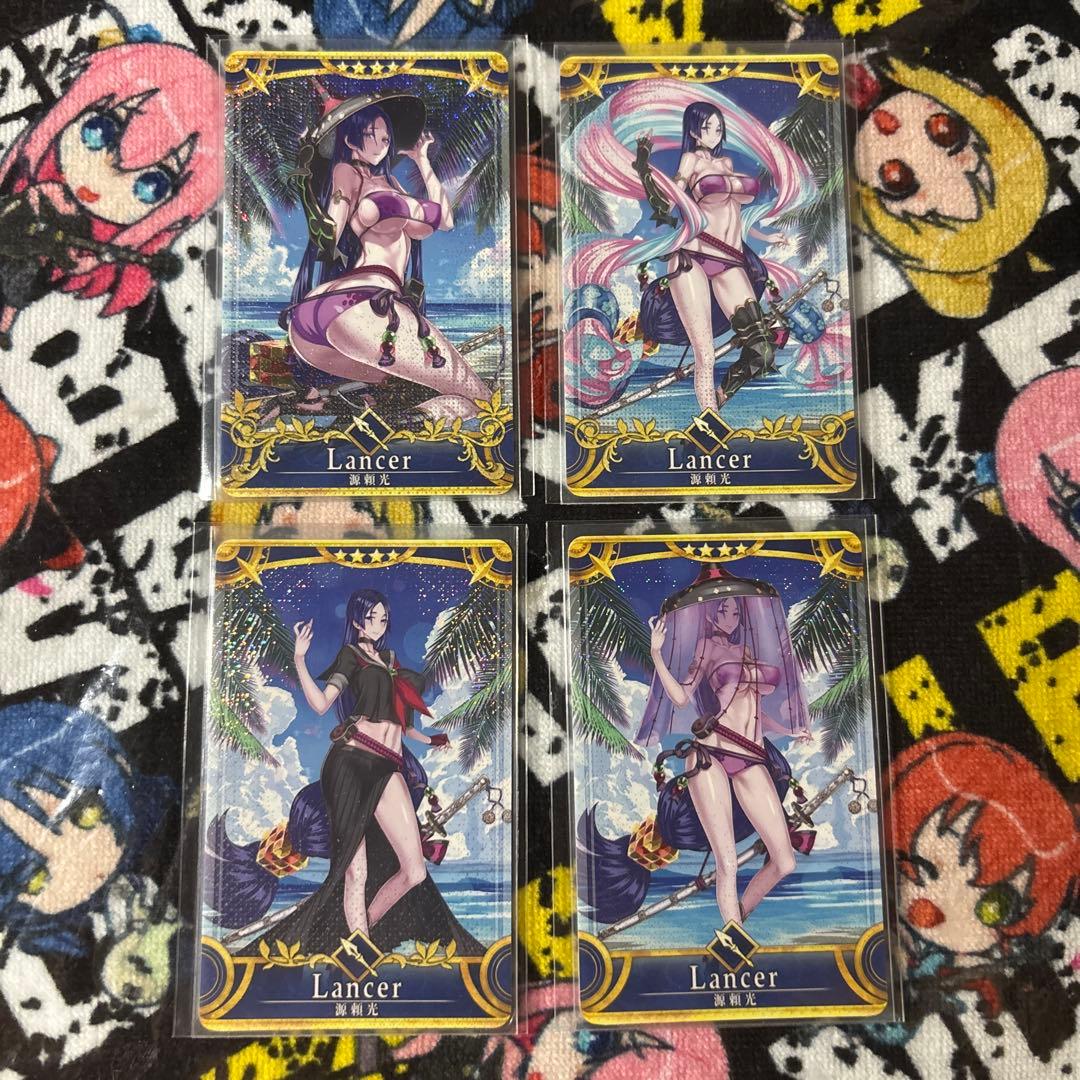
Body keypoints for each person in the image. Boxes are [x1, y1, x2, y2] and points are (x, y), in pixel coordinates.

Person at [207, 588, 481, 956]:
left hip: (388, 764)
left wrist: (431, 741)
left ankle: (359, 937)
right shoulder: (350, 656)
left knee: (414, 871)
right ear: (356, 621)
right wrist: (300, 660)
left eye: (384, 618)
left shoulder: (390, 660)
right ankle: (362, 948)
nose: (379, 625)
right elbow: (321, 705)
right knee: (356, 871)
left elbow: (401, 723)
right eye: (372, 618)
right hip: (351, 764)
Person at [579, 567, 814, 928]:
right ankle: (734, 936)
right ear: (709, 614)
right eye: (723, 611)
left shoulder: (745, 649)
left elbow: (755, 712)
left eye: (735, 611)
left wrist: (792, 730)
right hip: (710, 752)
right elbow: (680, 696)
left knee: (784, 862)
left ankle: (736, 926)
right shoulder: (706, 648)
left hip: (751, 753)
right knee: (727, 862)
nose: (730, 617)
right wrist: (657, 655)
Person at [285, 97, 489, 422]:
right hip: (363, 304)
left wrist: (422, 161)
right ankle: (411, 422)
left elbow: (445, 220)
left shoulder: (392, 184)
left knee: (419, 388)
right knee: (482, 402)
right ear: (350, 141)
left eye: (385, 137)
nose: (382, 144)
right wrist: (308, 189)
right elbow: (330, 232)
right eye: (371, 135)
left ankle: (400, 418)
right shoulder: (346, 172)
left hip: (331, 313)